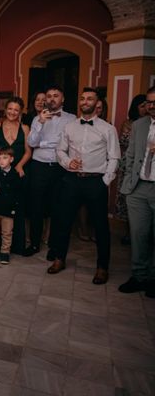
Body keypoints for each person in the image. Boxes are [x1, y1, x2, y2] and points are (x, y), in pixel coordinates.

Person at [47, 88, 120, 284]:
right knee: (63, 222)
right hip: (72, 180)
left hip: (96, 181)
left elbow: (114, 157)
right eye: (82, 98)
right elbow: (60, 150)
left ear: (97, 104)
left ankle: (102, 267)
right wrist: (67, 162)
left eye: (90, 99)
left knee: (101, 227)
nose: (85, 101)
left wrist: (104, 181)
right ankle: (59, 259)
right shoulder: (70, 127)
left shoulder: (107, 129)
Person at [25, 84, 76, 256]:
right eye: (49, 96)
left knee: (57, 208)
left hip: (60, 168)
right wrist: (40, 122)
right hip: (38, 166)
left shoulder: (71, 119)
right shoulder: (37, 119)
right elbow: (32, 143)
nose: (51, 98)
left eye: (56, 95)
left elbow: (68, 145)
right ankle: (34, 244)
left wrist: (44, 144)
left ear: (62, 99)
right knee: (36, 207)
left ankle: (54, 247)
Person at [118, 86, 155, 298]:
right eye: (149, 102)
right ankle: (139, 276)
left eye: (154, 102)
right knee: (139, 235)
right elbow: (130, 155)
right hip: (138, 187)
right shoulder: (139, 125)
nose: (151, 106)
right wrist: (128, 181)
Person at [0, 97, 31, 254]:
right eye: (10, 109)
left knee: (18, 208)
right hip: (0, 172)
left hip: (18, 172)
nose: (12, 112)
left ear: (20, 111)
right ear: (5, 109)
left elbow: (29, 151)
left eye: (16, 109)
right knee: (0, 207)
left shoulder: (25, 128)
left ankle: (16, 246)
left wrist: (19, 165)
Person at [115, 94, 147, 245]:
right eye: (142, 106)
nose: (146, 108)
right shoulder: (128, 123)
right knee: (128, 200)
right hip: (128, 165)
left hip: (145, 166)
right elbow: (123, 142)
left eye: (147, 105)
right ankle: (129, 233)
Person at [0, 146, 23, 264]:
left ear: (11, 159)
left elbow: (18, 193)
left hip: (8, 210)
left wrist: (15, 207)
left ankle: (5, 252)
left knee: (7, 233)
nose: (1, 160)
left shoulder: (15, 175)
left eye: (5, 158)